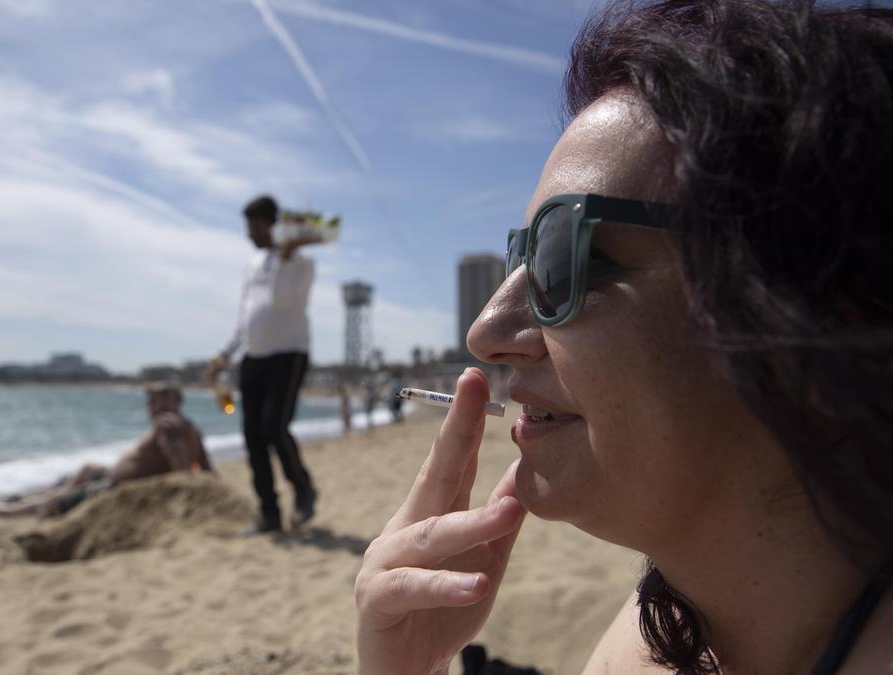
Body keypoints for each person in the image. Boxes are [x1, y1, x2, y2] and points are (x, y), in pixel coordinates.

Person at [354, 2, 893, 674]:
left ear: (825, 317)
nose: (487, 331)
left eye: (563, 258)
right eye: (520, 255)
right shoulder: (656, 636)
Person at [209, 194, 317, 534]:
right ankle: (269, 513)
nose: (248, 234)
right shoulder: (252, 263)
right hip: (252, 358)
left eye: (253, 226)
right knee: (252, 437)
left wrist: (286, 257)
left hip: (289, 354)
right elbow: (245, 316)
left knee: (274, 427)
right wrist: (225, 353)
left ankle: (303, 488)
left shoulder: (302, 262)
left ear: (273, 225)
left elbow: (284, 300)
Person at [0, 383, 212, 517]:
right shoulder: (193, 429)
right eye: (149, 401)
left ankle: (4, 511)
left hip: (118, 488)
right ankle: (15, 500)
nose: (151, 406)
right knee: (83, 471)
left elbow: (181, 467)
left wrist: (189, 493)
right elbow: (205, 468)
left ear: (175, 402)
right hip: (113, 477)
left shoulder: (167, 425)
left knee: (62, 498)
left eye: (157, 400)